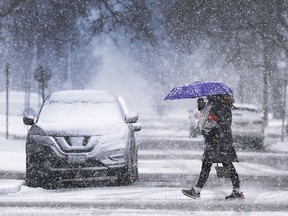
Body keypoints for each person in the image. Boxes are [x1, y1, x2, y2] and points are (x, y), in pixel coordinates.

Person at [182, 94, 245, 200]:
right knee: (223, 164)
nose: (207, 95)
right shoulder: (215, 104)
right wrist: (201, 108)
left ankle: (197, 190)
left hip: (219, 140)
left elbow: (221, 123)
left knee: (213, 164)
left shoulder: (219, 105)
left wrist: (211, 125)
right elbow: (208, 118)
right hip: (218, 139)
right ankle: (236, 190)